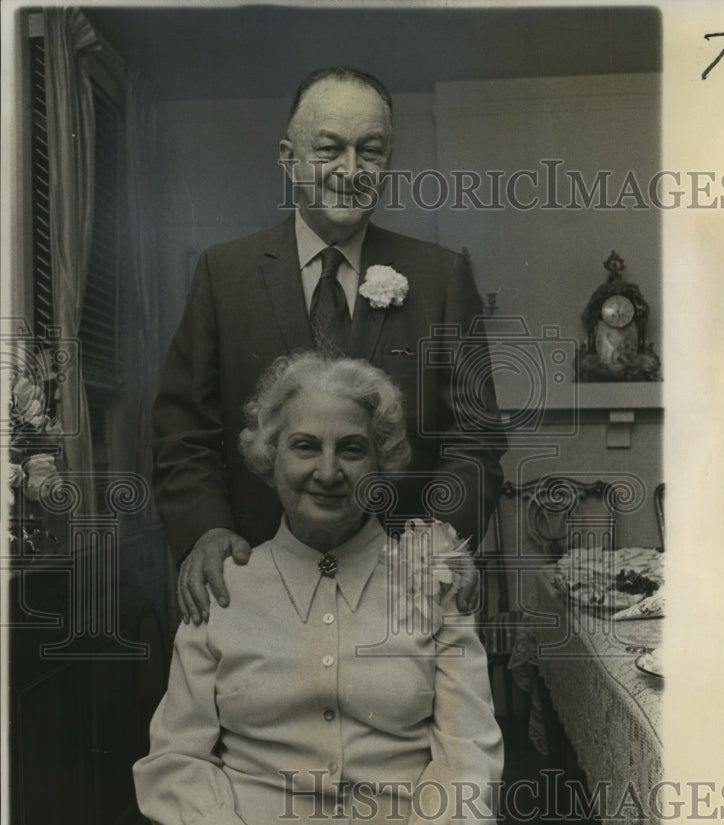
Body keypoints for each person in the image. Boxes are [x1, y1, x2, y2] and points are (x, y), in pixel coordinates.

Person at [134, 353, 504, 825]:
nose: (327, 472)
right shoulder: (223, 587)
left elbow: (470, 764)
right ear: (269, 456)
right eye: (305, 446)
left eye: (352, 449)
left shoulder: (435, 584)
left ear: (381, 460)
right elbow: (175, 760)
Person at [151, 66, 506, 626]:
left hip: (401, 589)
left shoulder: (441, 278)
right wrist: (207, 530)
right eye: (329, 149)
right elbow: (184, 431)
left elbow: (475, 437)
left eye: (371, 151)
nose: (350, 170)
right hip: (254, 585)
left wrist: (436, 536)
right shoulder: (225, 273)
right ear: (288, 158)